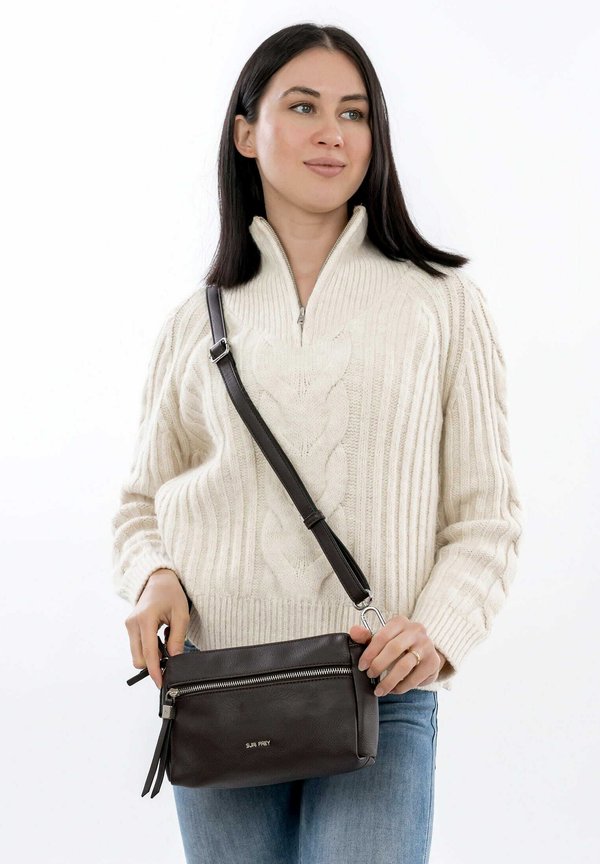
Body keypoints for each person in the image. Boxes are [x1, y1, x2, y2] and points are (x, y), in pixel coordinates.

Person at [111, 22, 523, 864]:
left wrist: (437, 630)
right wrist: (154, 576)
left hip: (378, 687)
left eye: (354, 113)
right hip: (219, 685)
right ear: (245, 132)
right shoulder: (194, 322)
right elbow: (140, 503)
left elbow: (487, 517)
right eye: (303, 107)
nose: (333, 133)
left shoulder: (443, 305)